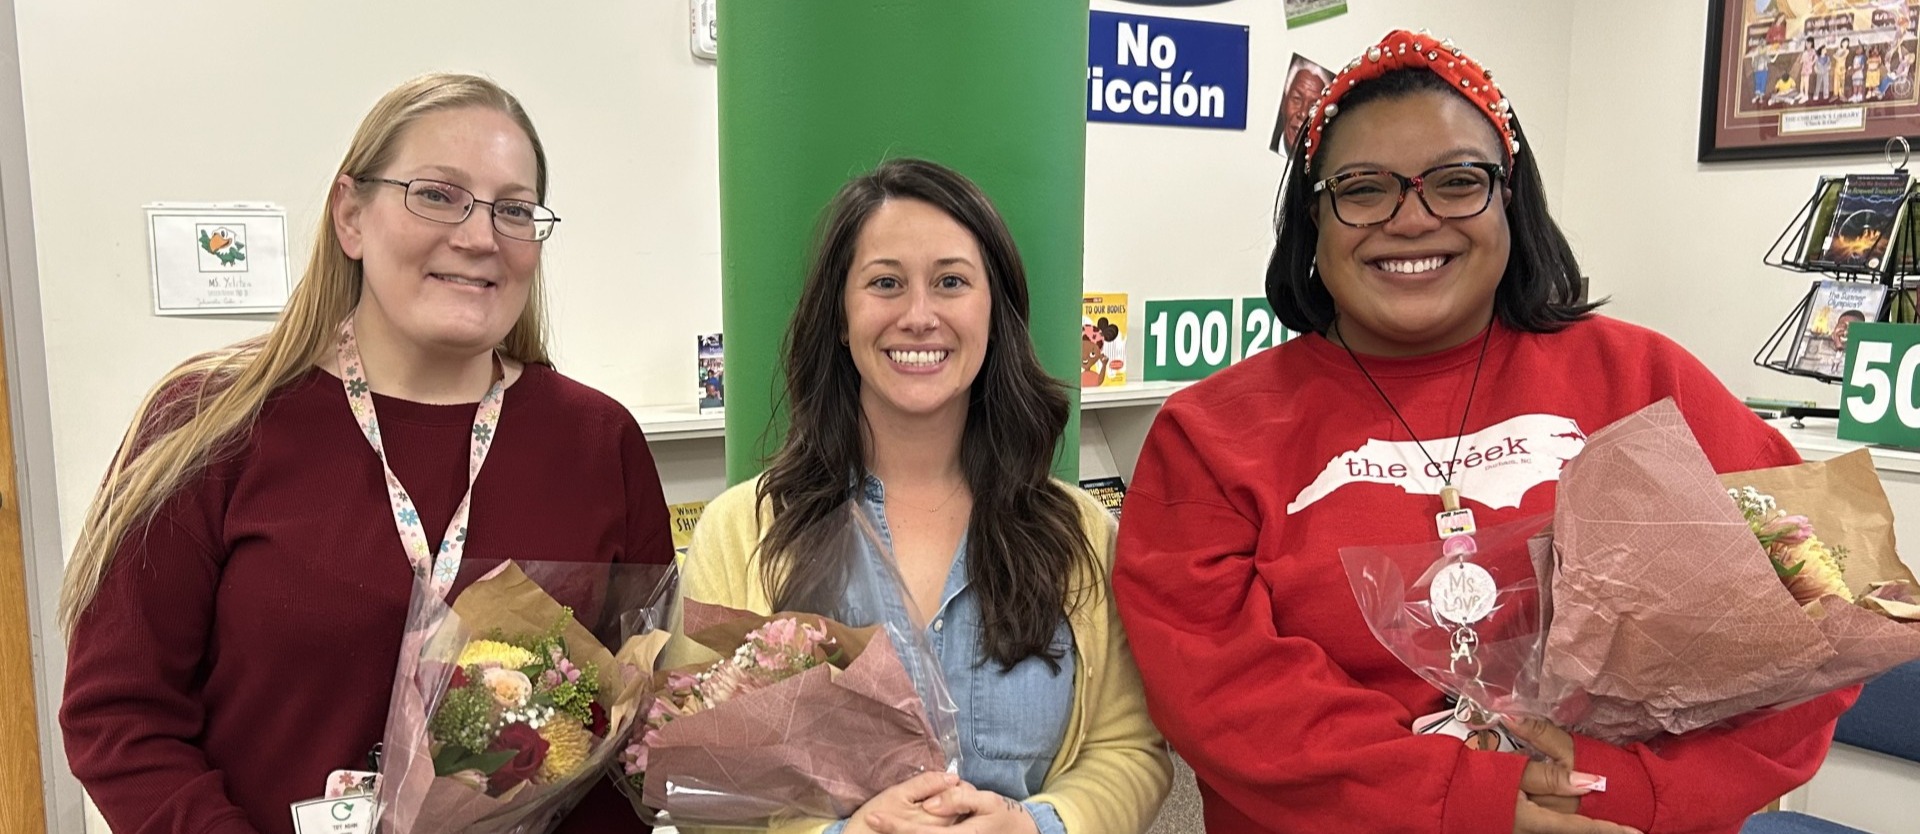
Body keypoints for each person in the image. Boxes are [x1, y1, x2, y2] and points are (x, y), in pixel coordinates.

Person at [1112, 30, 1855, 834]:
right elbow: (1219, 695)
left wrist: (1634, 793)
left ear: (1511, 201)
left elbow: (1821, 616)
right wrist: (1465, 799)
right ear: (1312, 221)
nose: (1411, 219)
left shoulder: (1643, 382)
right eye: (1363, 189)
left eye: (1457, 182)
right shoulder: (1210, 433)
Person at [58, 73, 675, 834]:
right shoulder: (210, 422)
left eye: (513, 209)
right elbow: (120, 718)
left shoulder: (597, 442)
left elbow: (624, 740)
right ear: (350, 214)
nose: (480, 236)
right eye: (437, 194)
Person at [668, 157, 1171, 834]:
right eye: (885, 283)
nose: (919, 315)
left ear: (994, 314)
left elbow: (1129, 751)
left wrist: (1037, 826)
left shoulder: (1077, 533)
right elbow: (700, 783)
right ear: (841, 319)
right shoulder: (745, 530)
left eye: (952, 282)